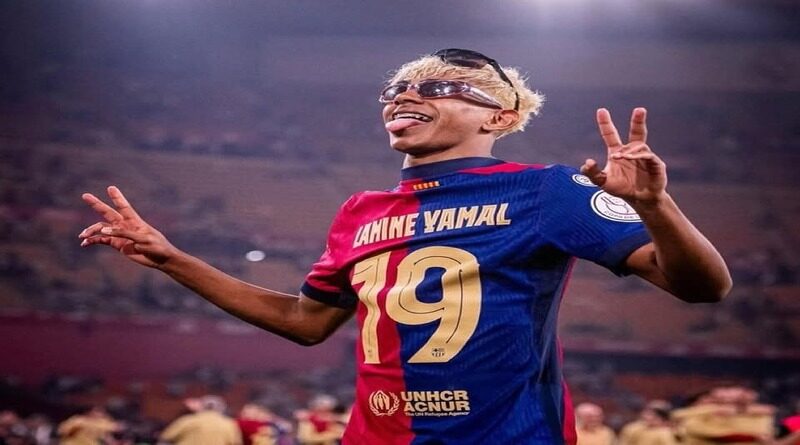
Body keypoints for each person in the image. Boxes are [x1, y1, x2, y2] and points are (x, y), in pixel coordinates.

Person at [78, 48, 732, 444]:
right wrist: (173, 259)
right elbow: (305, 322)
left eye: (442, 88)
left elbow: (705, 287)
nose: (409, 94)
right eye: (397, 90)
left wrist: (655, 206)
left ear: (500, 117)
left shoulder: (547, 189)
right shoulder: (359, 210)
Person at [158, 395, 242, 445]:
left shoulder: (186, 420)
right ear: (222, 408)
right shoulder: (229, 424)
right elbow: (235, 443)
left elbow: (165, 439)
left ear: (201, 406)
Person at [57, 406, 121, 445]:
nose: (100, 414)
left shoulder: (103, 422)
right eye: (97, 411)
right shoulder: (78, 420)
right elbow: (61, 431)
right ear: (89, 412)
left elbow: (106, 435)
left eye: (101, 412)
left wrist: (113, 442)